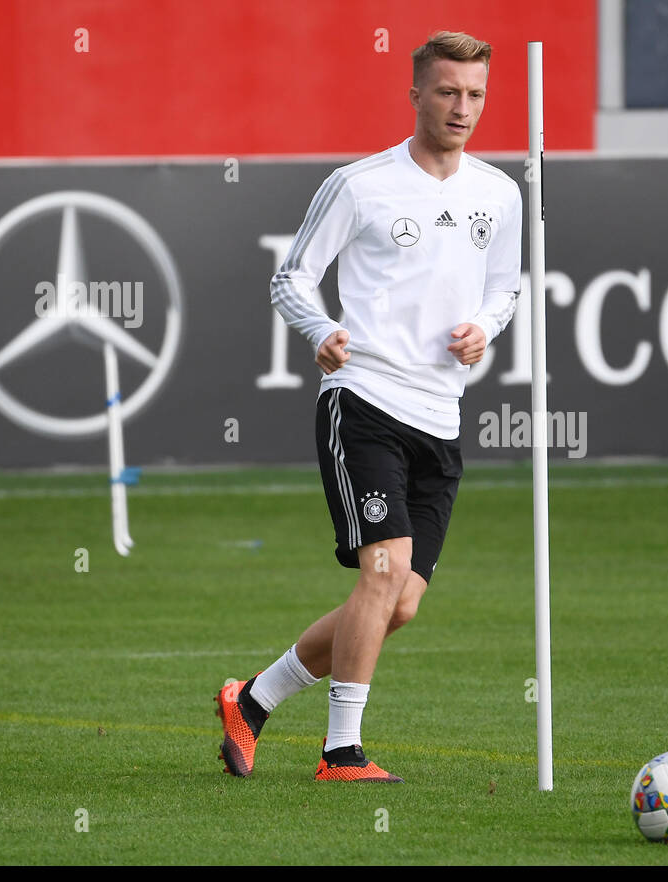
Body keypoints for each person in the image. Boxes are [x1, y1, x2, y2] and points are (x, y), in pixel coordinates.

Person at [215, 30, 521, 782]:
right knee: (380, 573)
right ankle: (340, 751)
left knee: (400, 603)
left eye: (475, 94)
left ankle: (251, 701)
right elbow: (293, 278)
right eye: (447, 91)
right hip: (365, 402)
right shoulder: (361, 185)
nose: (462, 107)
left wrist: (485, 328)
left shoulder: (500, 192)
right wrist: (321, 331)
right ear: (415, 92)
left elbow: (506, 286)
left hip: (441, 417)